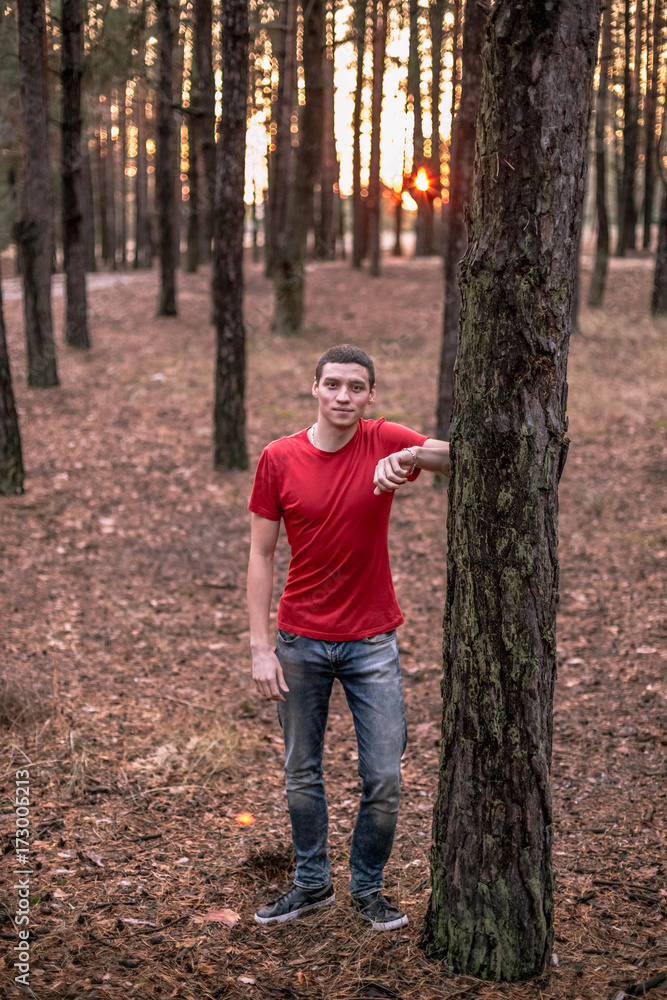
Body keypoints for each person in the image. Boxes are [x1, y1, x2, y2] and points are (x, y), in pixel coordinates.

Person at [247, 344, 450, 931]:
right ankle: (311, 884)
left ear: (370, 395)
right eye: (332, 385)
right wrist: (261, 647)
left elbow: (463, 456)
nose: (343, 396)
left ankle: (368, 889)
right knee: (301, 771)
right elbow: (261, 555)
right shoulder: (278, 458)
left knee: (383, 774)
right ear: (315, 388)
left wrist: (413, 454)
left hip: (371, 642)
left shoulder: (383, 438)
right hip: (299, 640)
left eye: (355, 387)